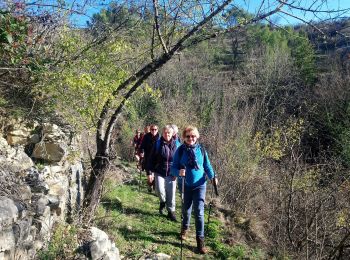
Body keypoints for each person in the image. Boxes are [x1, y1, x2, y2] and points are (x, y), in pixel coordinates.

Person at [171, 126, 218, 254]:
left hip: (200, 185)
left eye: (193, 136)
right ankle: (185, 227)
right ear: (184, 137)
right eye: (188, 136)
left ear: (197, 137)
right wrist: (178, 171)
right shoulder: (180, 151)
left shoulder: (201, 150)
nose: (190, 138)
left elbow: (207, 165)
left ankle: (200, 241)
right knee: (186, 210)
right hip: (185, 185)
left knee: (199, 212)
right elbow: (172, 168)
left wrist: (213, 176)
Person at [148, 125, 180, 221]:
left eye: (169, 133)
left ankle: (171, 212)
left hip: (172, 173)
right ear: (162, 133)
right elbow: (151, 159)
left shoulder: (177, 145)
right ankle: (162, 202)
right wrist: (150, 172)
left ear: (172, 134)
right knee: (160, 190)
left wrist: (177, 172)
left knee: (171, 193)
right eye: (165, 133)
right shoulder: (158, 144)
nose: (167, 134)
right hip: (159, 171)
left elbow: (180, 160)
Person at [140, 124, 159, 191]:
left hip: (157, 160)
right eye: (152, 129)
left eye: (155, 129)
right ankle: (149, 184)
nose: (154, 131)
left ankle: (154, 187)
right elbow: (142, 146)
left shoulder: (160, 138)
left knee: (154, 176)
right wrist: (142, 152)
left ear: (157, 130)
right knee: (149, 177)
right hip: (148, 159)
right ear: (150, 130)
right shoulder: (146, 136)